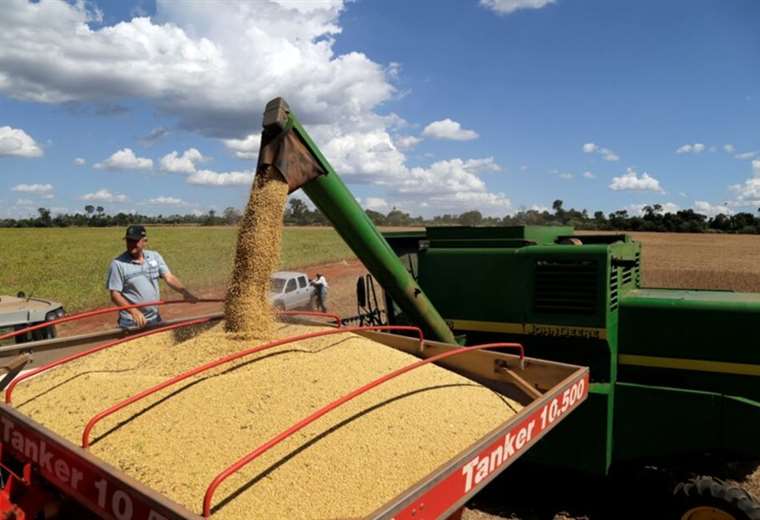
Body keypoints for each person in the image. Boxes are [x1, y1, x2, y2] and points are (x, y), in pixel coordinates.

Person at [107, 225, 197, 329]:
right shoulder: (118, 264)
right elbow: (115, 295)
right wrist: (133, 311)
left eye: (134, 241)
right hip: (132, 322)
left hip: (154, 319)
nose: (131, 244)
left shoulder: (154, 256)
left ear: (144, 241)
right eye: (128, 241)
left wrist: (184, 292)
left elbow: (169, 277)